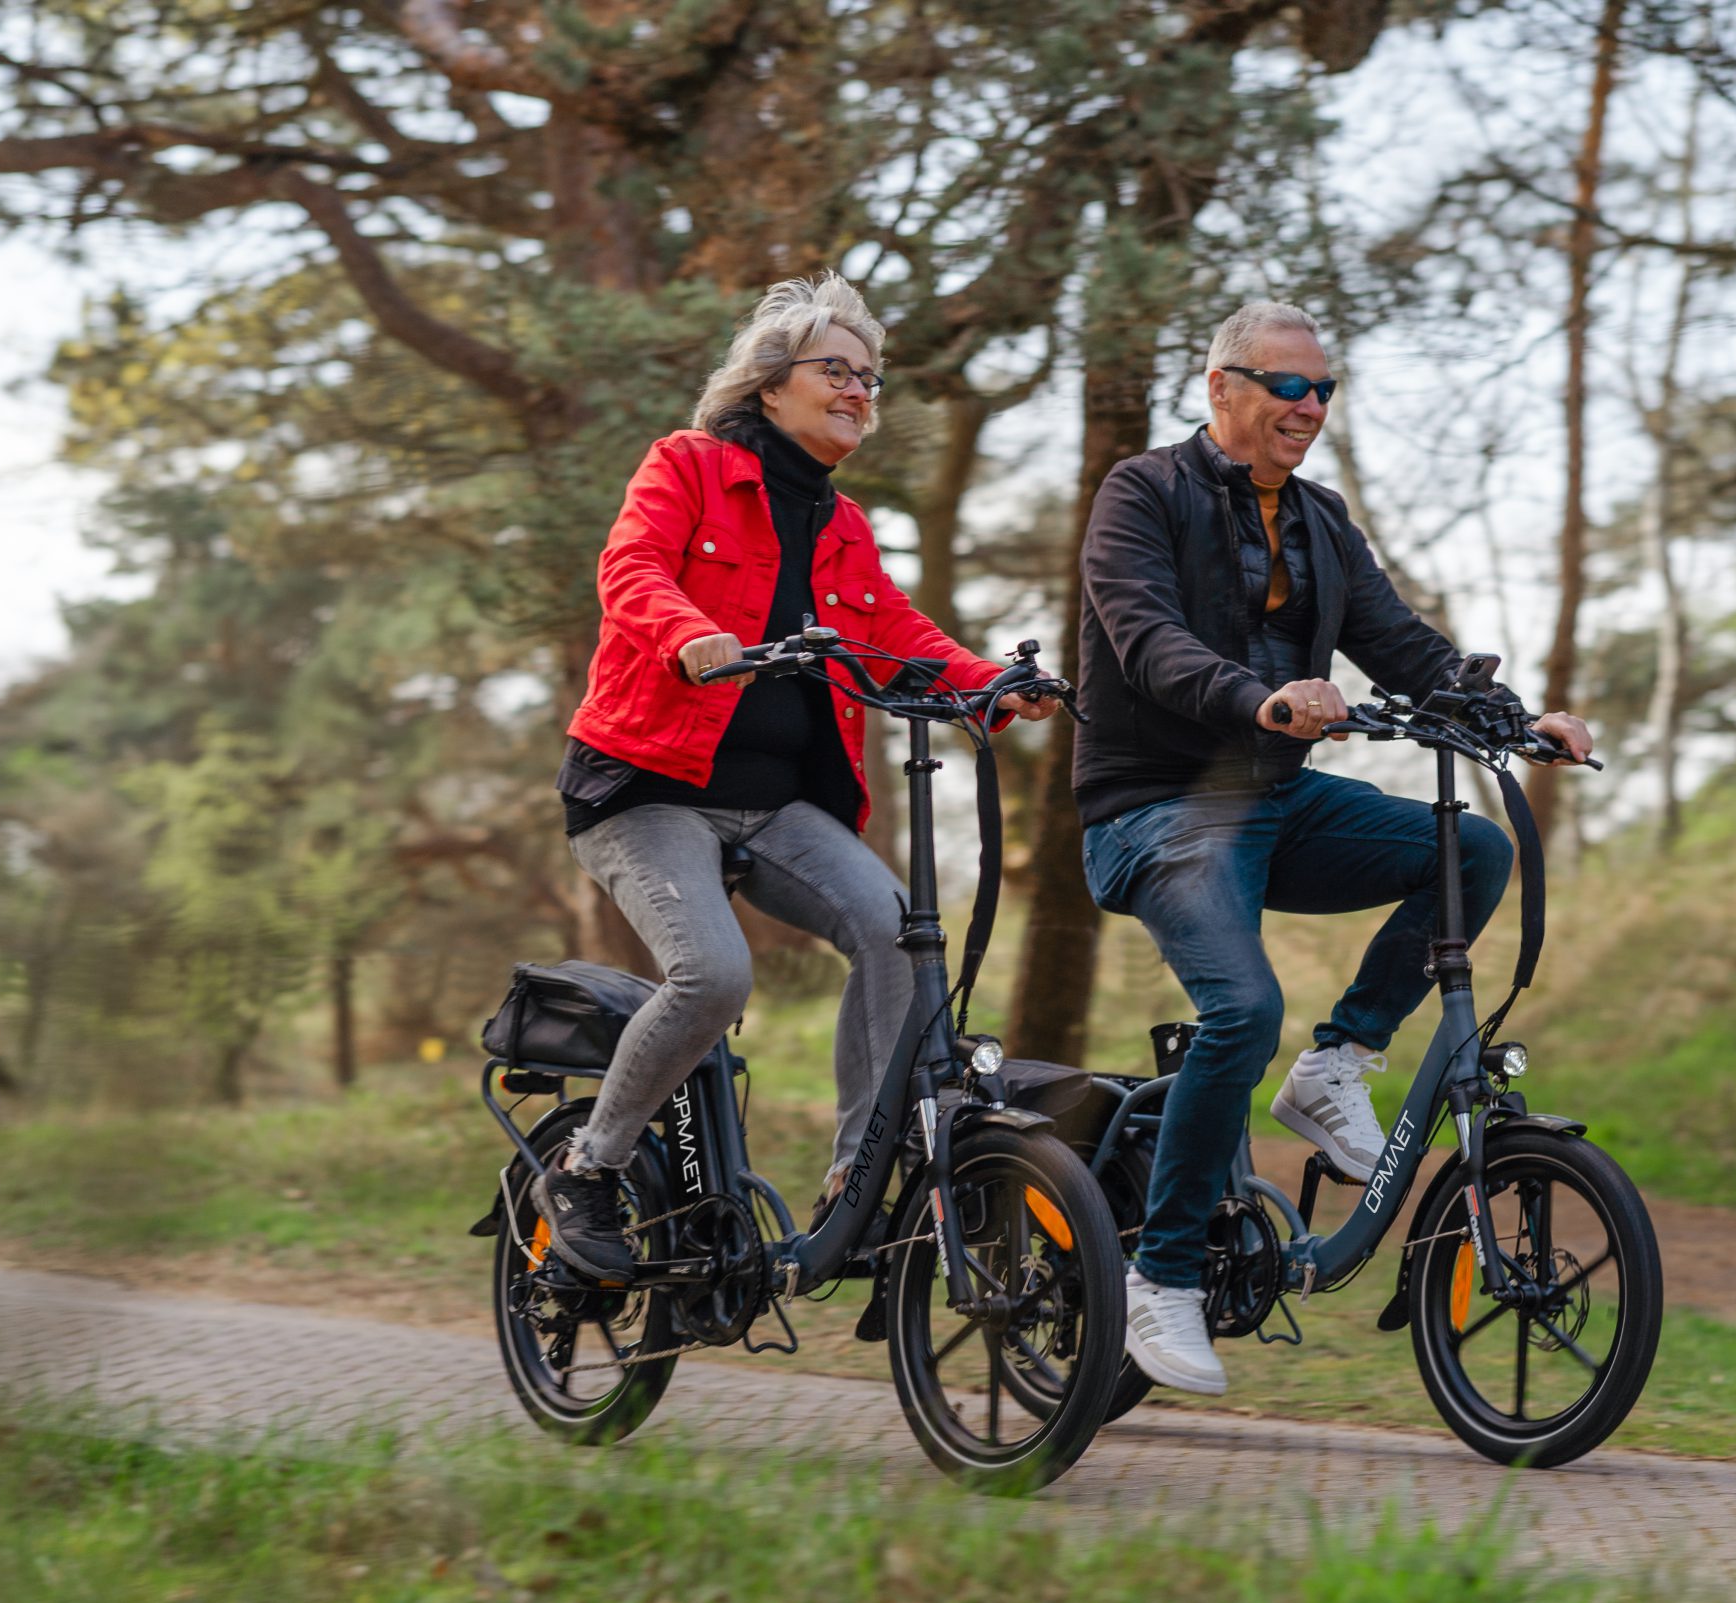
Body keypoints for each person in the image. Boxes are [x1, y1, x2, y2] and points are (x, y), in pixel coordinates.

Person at [1073, 301, 1594, 1395]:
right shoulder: (1142, 492)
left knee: (1473, 852)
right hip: (1155, 810)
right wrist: (1258, 698)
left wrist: (1515, 720)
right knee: (1241, 1010)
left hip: (1274, 801)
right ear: (1221, 388)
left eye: (1324, 390)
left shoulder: (1318, 517)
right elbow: (1149, 640)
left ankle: (1337, 1064)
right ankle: (1162, 1276)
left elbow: (1398, 641)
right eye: (1287, 386)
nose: (1309, 407)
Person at [534, 273, 1055, 1280]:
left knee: (898, 933)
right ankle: (589, 1168)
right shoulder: (688, 465)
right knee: (714, 973)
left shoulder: (841, 521)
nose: (859, 390)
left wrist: (994, 685)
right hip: (644, 789)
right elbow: (631, 568)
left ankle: (858, 1179)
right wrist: (688, 634)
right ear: (770, 386)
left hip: (775, 805)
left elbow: (896, 632)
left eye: (870, 378)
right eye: (836, 370)